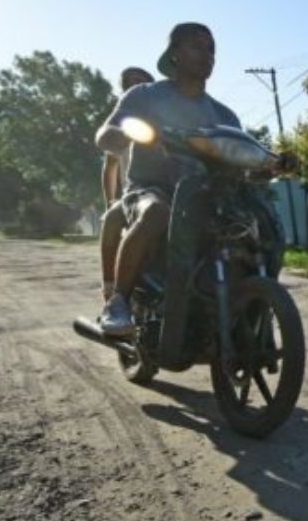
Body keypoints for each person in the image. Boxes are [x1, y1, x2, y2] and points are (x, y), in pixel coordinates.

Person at [95, 22, 242, 335]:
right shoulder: (144, 96)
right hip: (150, 189)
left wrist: (274, 164)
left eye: (211, 49)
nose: (207, 55)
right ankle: (118, 301)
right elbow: (105, 135)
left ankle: (251, 305)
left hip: (206, 195)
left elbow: (241, 156)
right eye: (196, 46)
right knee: (157, 211)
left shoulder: (225, 116)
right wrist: (129, 134)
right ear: (174, 54)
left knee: (255, 228)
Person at [98, 67, 154, 303]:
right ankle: (112, 292)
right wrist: (109, 201)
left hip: (173, 188)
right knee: (111, 219)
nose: (135, 86)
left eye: (141, 81)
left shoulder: (166, 116)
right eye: (129, 83)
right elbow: (110, 167)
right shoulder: (123, 124)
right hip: (135, 192)